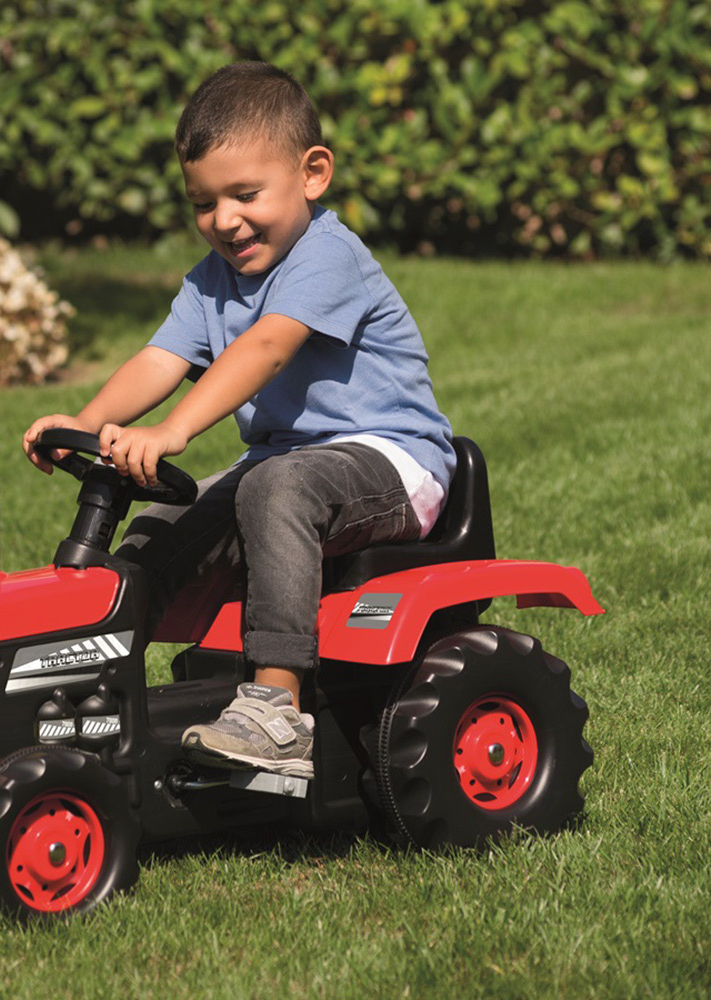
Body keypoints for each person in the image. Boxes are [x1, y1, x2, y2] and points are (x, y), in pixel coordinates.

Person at [23, 62, 455, 779]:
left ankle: (276, 712)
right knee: (160, 526)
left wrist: (172, 431)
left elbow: (266, 348)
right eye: (203, 202)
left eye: (245, 195)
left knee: (274, 488)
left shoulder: (328, 255)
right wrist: (86, 421)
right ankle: (87, 695)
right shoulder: (210, 281)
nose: (224, 220)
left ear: (312, 174)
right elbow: (159, 359)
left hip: (391, 459)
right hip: (284, 466)